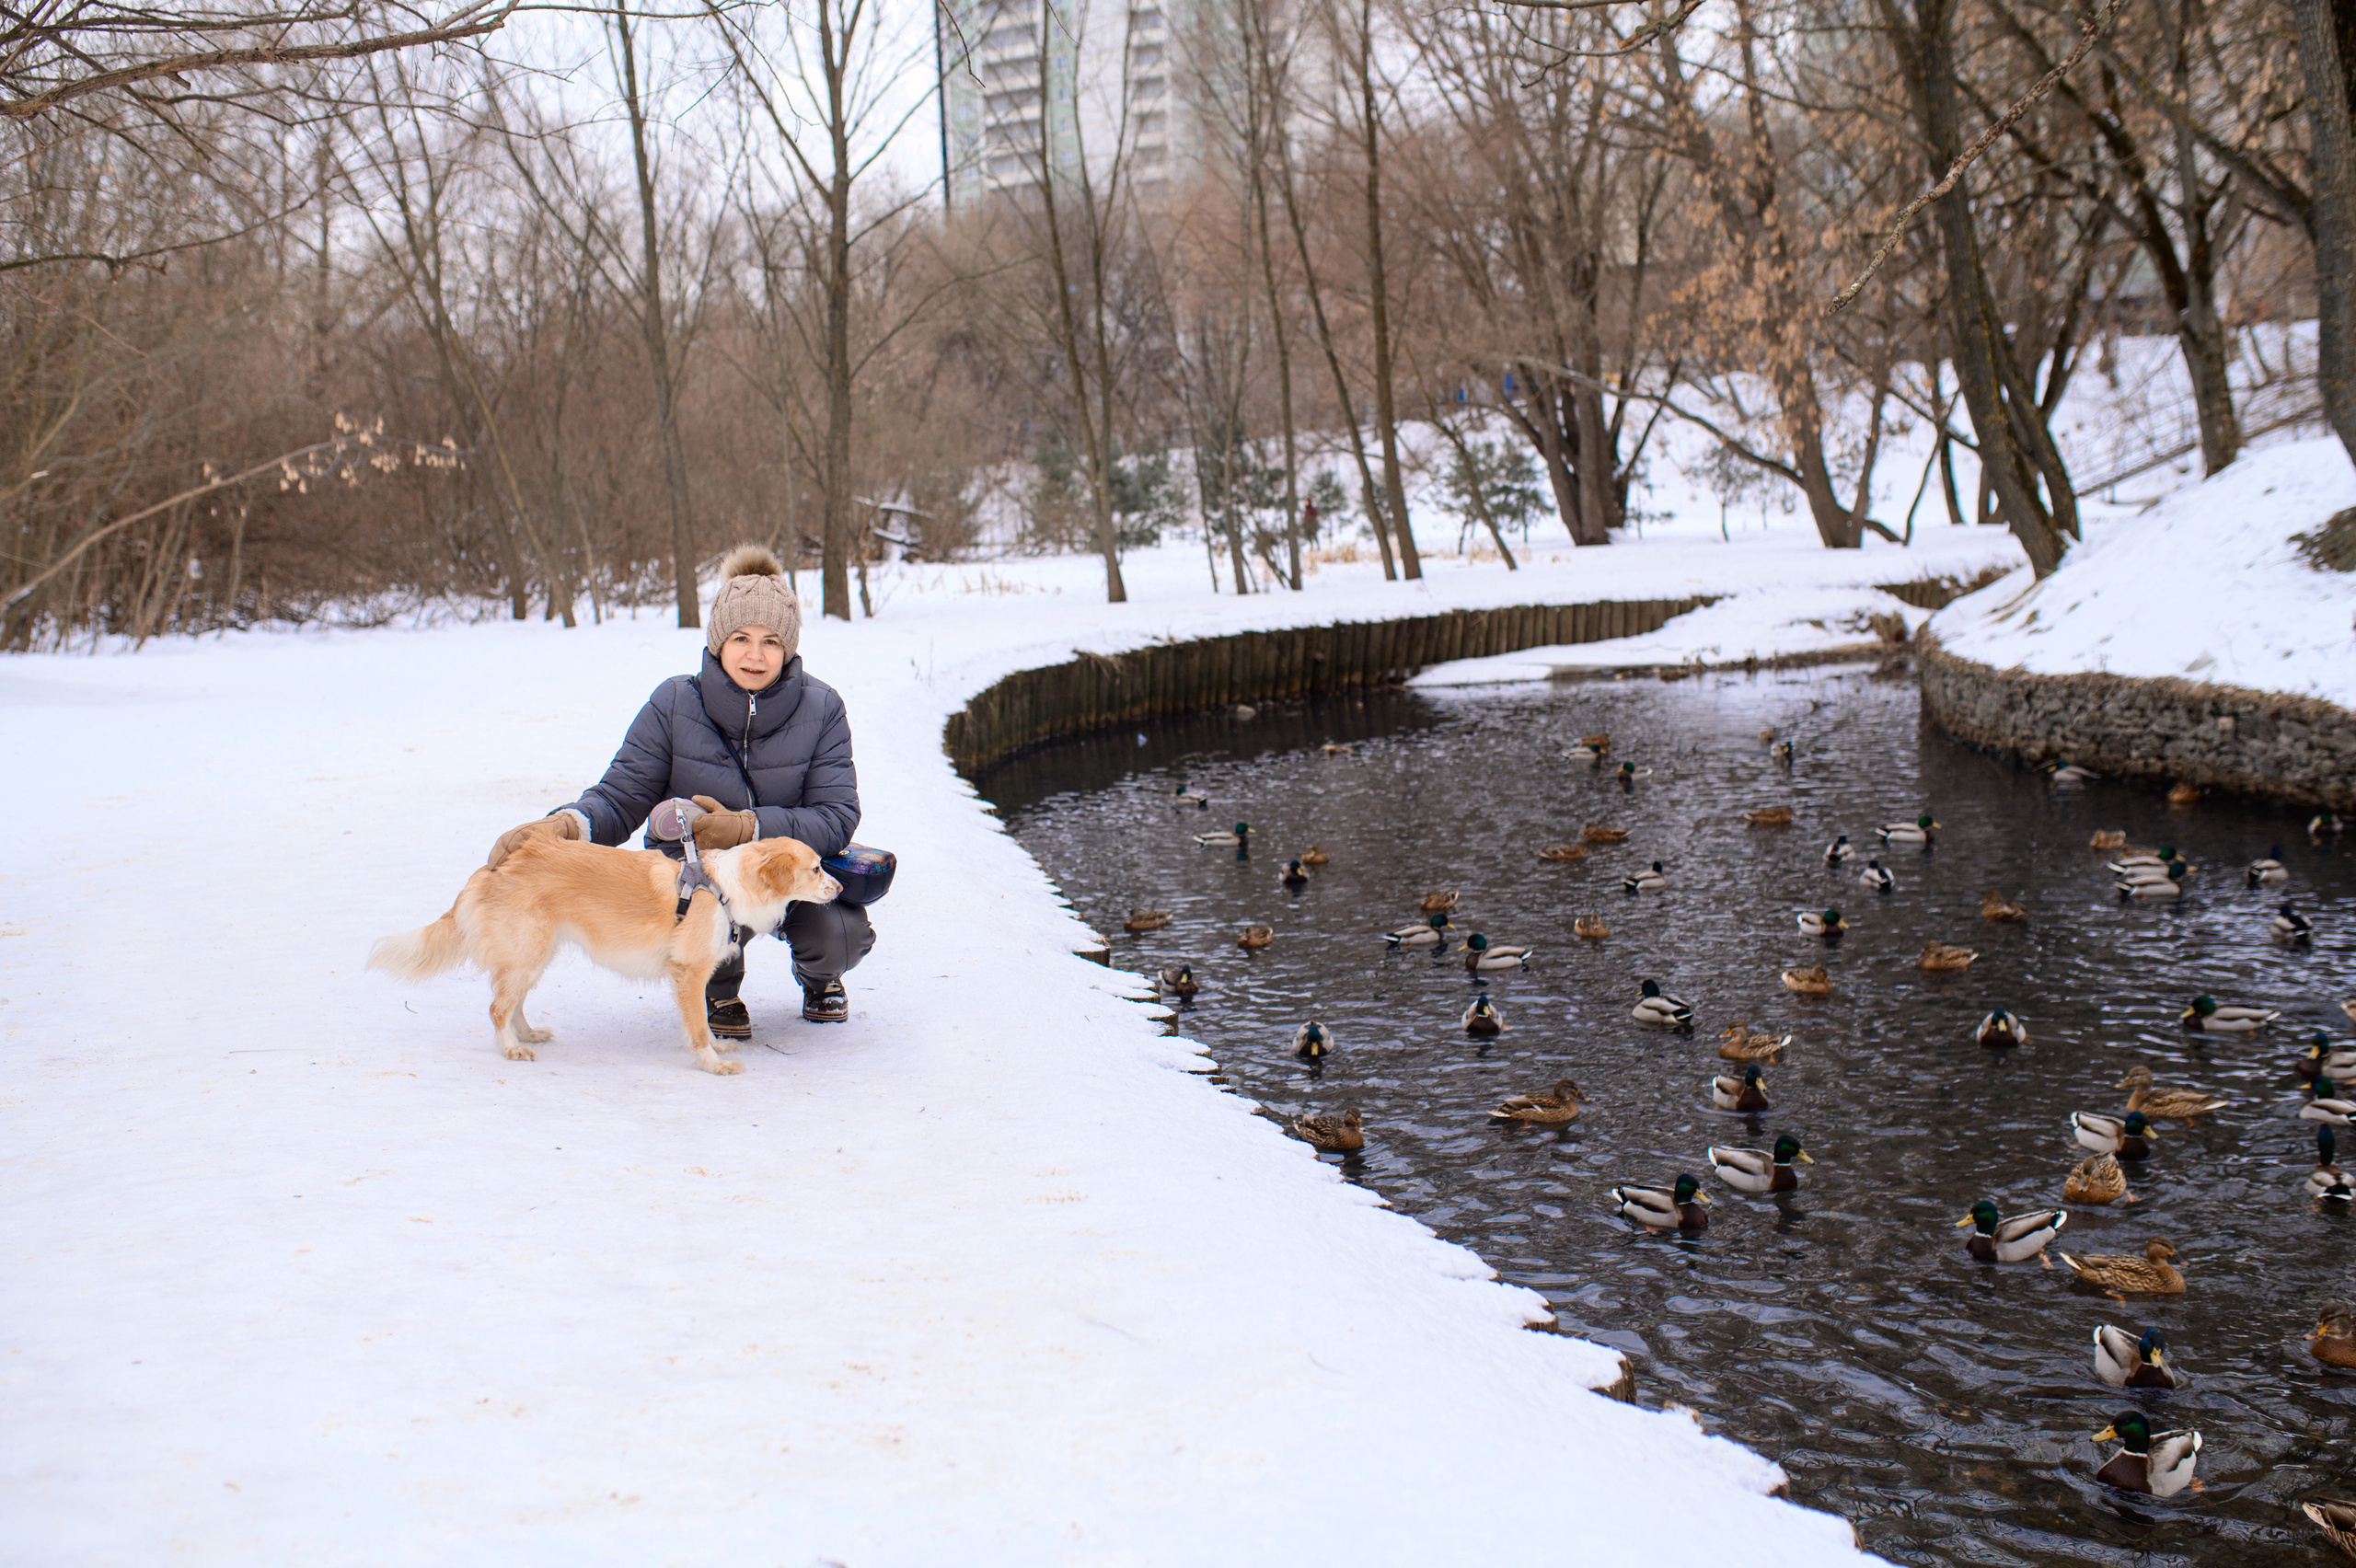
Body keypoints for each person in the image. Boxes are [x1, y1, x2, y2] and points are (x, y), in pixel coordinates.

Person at [485, 544, 870, 1030]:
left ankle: (821, 978)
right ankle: (719, 991)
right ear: (717, 641)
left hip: (782, 875)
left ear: (788, 646)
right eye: (741, 637)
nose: (755, 655)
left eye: (772, 641)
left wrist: (749, 827)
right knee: (697, 915)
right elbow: (620, 794)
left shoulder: (823, 708)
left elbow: (836, 816)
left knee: (838, 930)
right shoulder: (673, 703)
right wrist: (568, 823)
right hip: (694, 883)